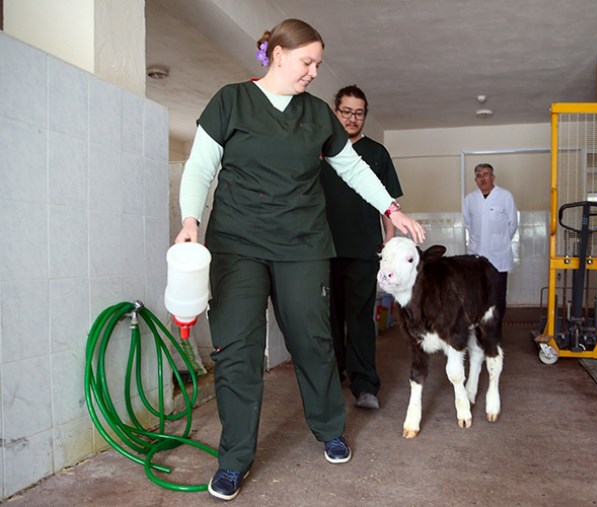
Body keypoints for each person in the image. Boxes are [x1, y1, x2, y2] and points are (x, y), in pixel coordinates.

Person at [174, 19, 426, 502]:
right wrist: (190, 221)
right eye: (307, 61)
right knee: (238, 350)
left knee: (313, 339)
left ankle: (330, 427)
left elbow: (352, 168)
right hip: (238, 243)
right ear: (278, 54)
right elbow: (201, 166)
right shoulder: (231, 100)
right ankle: (234, 459)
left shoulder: (317, 116)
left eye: (318, 64)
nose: (314, 72)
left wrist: (391, 208)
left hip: (303, 244)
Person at [320, 85, 402, 410]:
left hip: (364, 250)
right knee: (327, 318)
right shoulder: (320, 150)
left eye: (359, 113)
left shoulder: (377, 153)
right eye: (346, 112)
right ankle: (334, 373)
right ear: (335, 112)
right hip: (321, 250)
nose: (353, 118)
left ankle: (365, 384)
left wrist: (389, 241)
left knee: (359, 320)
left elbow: (388, 204)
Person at [462, 163, 518, 329]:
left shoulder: (505, 196)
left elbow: (512, 224)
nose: (482, 178)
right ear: (475, 180)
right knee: (478, 297)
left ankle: (496, 332)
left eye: (486, 174)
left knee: (498, 297)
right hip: (477, 258)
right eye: (479, 176)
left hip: (499, 258)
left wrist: (499, 242)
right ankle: (480, 333)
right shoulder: (470, 199)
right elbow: (467, 224)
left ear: (492, 177)